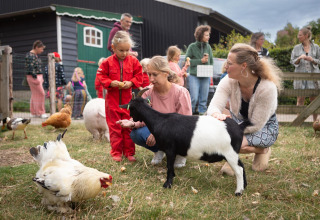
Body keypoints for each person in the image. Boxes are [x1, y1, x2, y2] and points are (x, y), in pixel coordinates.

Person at [207, 43, 282, 174]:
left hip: (264, 127)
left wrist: (230, 132)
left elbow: (256, 124)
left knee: (235, 144)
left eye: (230, 63)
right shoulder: (228, 80)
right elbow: (214, 106)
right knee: (223, 139)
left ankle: (263, 150)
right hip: (239, 122)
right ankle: (233, 156)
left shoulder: (267, 88)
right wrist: (215, 115)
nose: (226, 66)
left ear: (244, 66)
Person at [116, 56, 192, 168]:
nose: (151, 79)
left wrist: (157, 133)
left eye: (155, 75)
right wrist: (132, 123)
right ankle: (159, 149)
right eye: (149, 74)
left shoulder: (181, 92)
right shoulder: (147, 93)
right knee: (136, 134)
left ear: (166, 73)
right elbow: (144, 119)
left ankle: (180, 154)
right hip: (161, 132)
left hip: (178, 132)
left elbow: (185, 123)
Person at [96, 30, 143, 162]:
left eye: (127, 50)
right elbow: (100, 76)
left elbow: (139, 75)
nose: (124, 53)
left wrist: (131, 82)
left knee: (128, 127)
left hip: (128, 102)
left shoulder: (133, 61)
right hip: (112, 101)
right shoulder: (107, 62)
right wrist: (111, 83)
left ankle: (129, 152)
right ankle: (116, 152)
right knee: (115, 128)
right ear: (113, 48)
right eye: (121, 50)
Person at [290, 26, 320, 122]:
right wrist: (299, 58)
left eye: (300, 35)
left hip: (313, 77)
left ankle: (316, 122)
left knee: (314, 100)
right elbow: (292, 61)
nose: (298, 37)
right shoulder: (296, 48)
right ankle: (298, 122)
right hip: (300, 77)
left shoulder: (316, 47)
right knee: (300, 99)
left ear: (306, 35)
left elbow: (319, 60)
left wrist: (312, 60)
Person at [185, 25, 213, 115]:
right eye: (206, 35)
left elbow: (211, 61)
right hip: (194, 75)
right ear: (200, 35)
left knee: (204, 99)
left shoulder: (208, 47)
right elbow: (187, 60)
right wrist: (200, 61)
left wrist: (209, 69)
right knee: (194, 98)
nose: (208, 37)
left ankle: (202, 116)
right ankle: (190, 114)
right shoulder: (192, 47)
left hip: (205, 75)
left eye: (208, 35)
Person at [25, 40, 48, 119]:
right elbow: (30, 67)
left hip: (36, 77)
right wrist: (36, 77)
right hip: (34, 77)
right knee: (41, 94)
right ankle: (41, 112)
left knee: (35, 94)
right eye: (41, 49)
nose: (42, 51)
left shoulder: (34, 55)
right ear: (36, 47)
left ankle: (33, 112)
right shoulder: (30, 55)